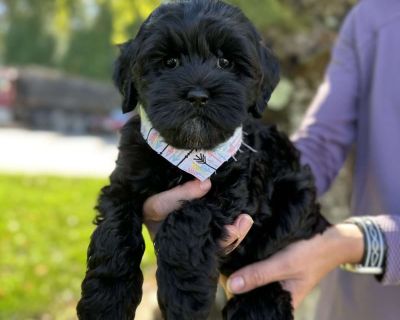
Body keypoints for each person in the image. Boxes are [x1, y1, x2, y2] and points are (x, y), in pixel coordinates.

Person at [142, 0, 400, 319]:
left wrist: (352, 243)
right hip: (359, 307)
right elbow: (321, 144)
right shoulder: (375, 17)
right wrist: (230, 189)